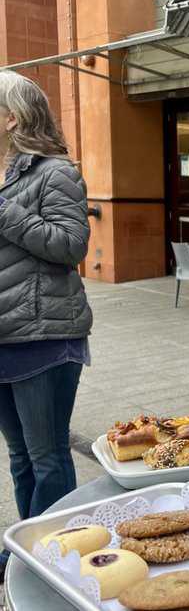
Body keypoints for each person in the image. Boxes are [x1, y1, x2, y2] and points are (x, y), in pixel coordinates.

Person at [0, 71, 92, 578]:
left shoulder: (54, 172)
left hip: (44, 336)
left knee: (48, 458)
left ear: (12, 116)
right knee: (19, 460)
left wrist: (2, 210)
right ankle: (27, 548)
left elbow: (69, 245)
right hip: (5, 337)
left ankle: (50, 555)